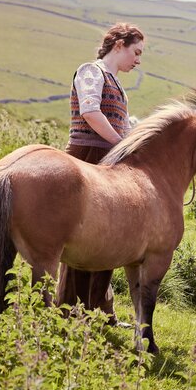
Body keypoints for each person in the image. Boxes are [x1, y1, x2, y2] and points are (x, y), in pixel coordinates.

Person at [56, 22, 145, 325]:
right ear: (118, 44)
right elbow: (90, 111)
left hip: (107, 160)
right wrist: (122, 144)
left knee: (107, 239)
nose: (138, 60)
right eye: (136, 52)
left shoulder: (116, 83)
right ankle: (70, 310)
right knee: (82, 237)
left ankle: (99, 311)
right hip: (87, 158)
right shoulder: (91, 71)